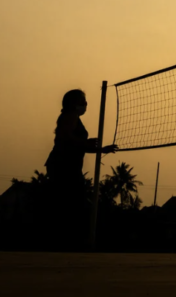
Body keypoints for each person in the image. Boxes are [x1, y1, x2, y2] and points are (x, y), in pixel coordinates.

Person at [44, 89, 115, 245]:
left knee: (73, 204)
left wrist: (100, 150)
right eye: (83, 101)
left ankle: (68, 240)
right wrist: (87, 143)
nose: (85, 104)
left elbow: (78, 145)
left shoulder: (72, 117)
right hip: (63, 166)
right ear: (74, 103)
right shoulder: (69, 116)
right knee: (72, 205)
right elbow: (67, 138)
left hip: (68, 166)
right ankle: (67, 241)